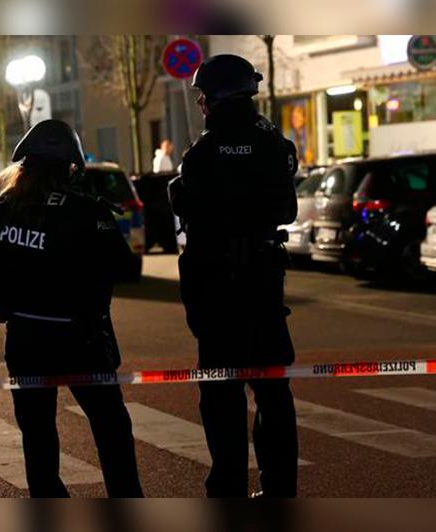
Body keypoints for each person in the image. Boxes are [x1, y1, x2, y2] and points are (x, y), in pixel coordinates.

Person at [0, 119, 143, 498]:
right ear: (70, 168)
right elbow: (123, 266)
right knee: (111, 426)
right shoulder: (86, 212)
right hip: (82, 339)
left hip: (24, 339)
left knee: (37, 434)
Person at [168, 54, 299, 497]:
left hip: (218, 290)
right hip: (264, 285)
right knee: (273, 394)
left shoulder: (204, 151)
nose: (200, 102)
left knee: (221, 397)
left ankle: (227, 490)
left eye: (203, 94)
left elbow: (190, 205)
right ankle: (279, 489)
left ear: (218, 96)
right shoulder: (274, 143)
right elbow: (287, 209)